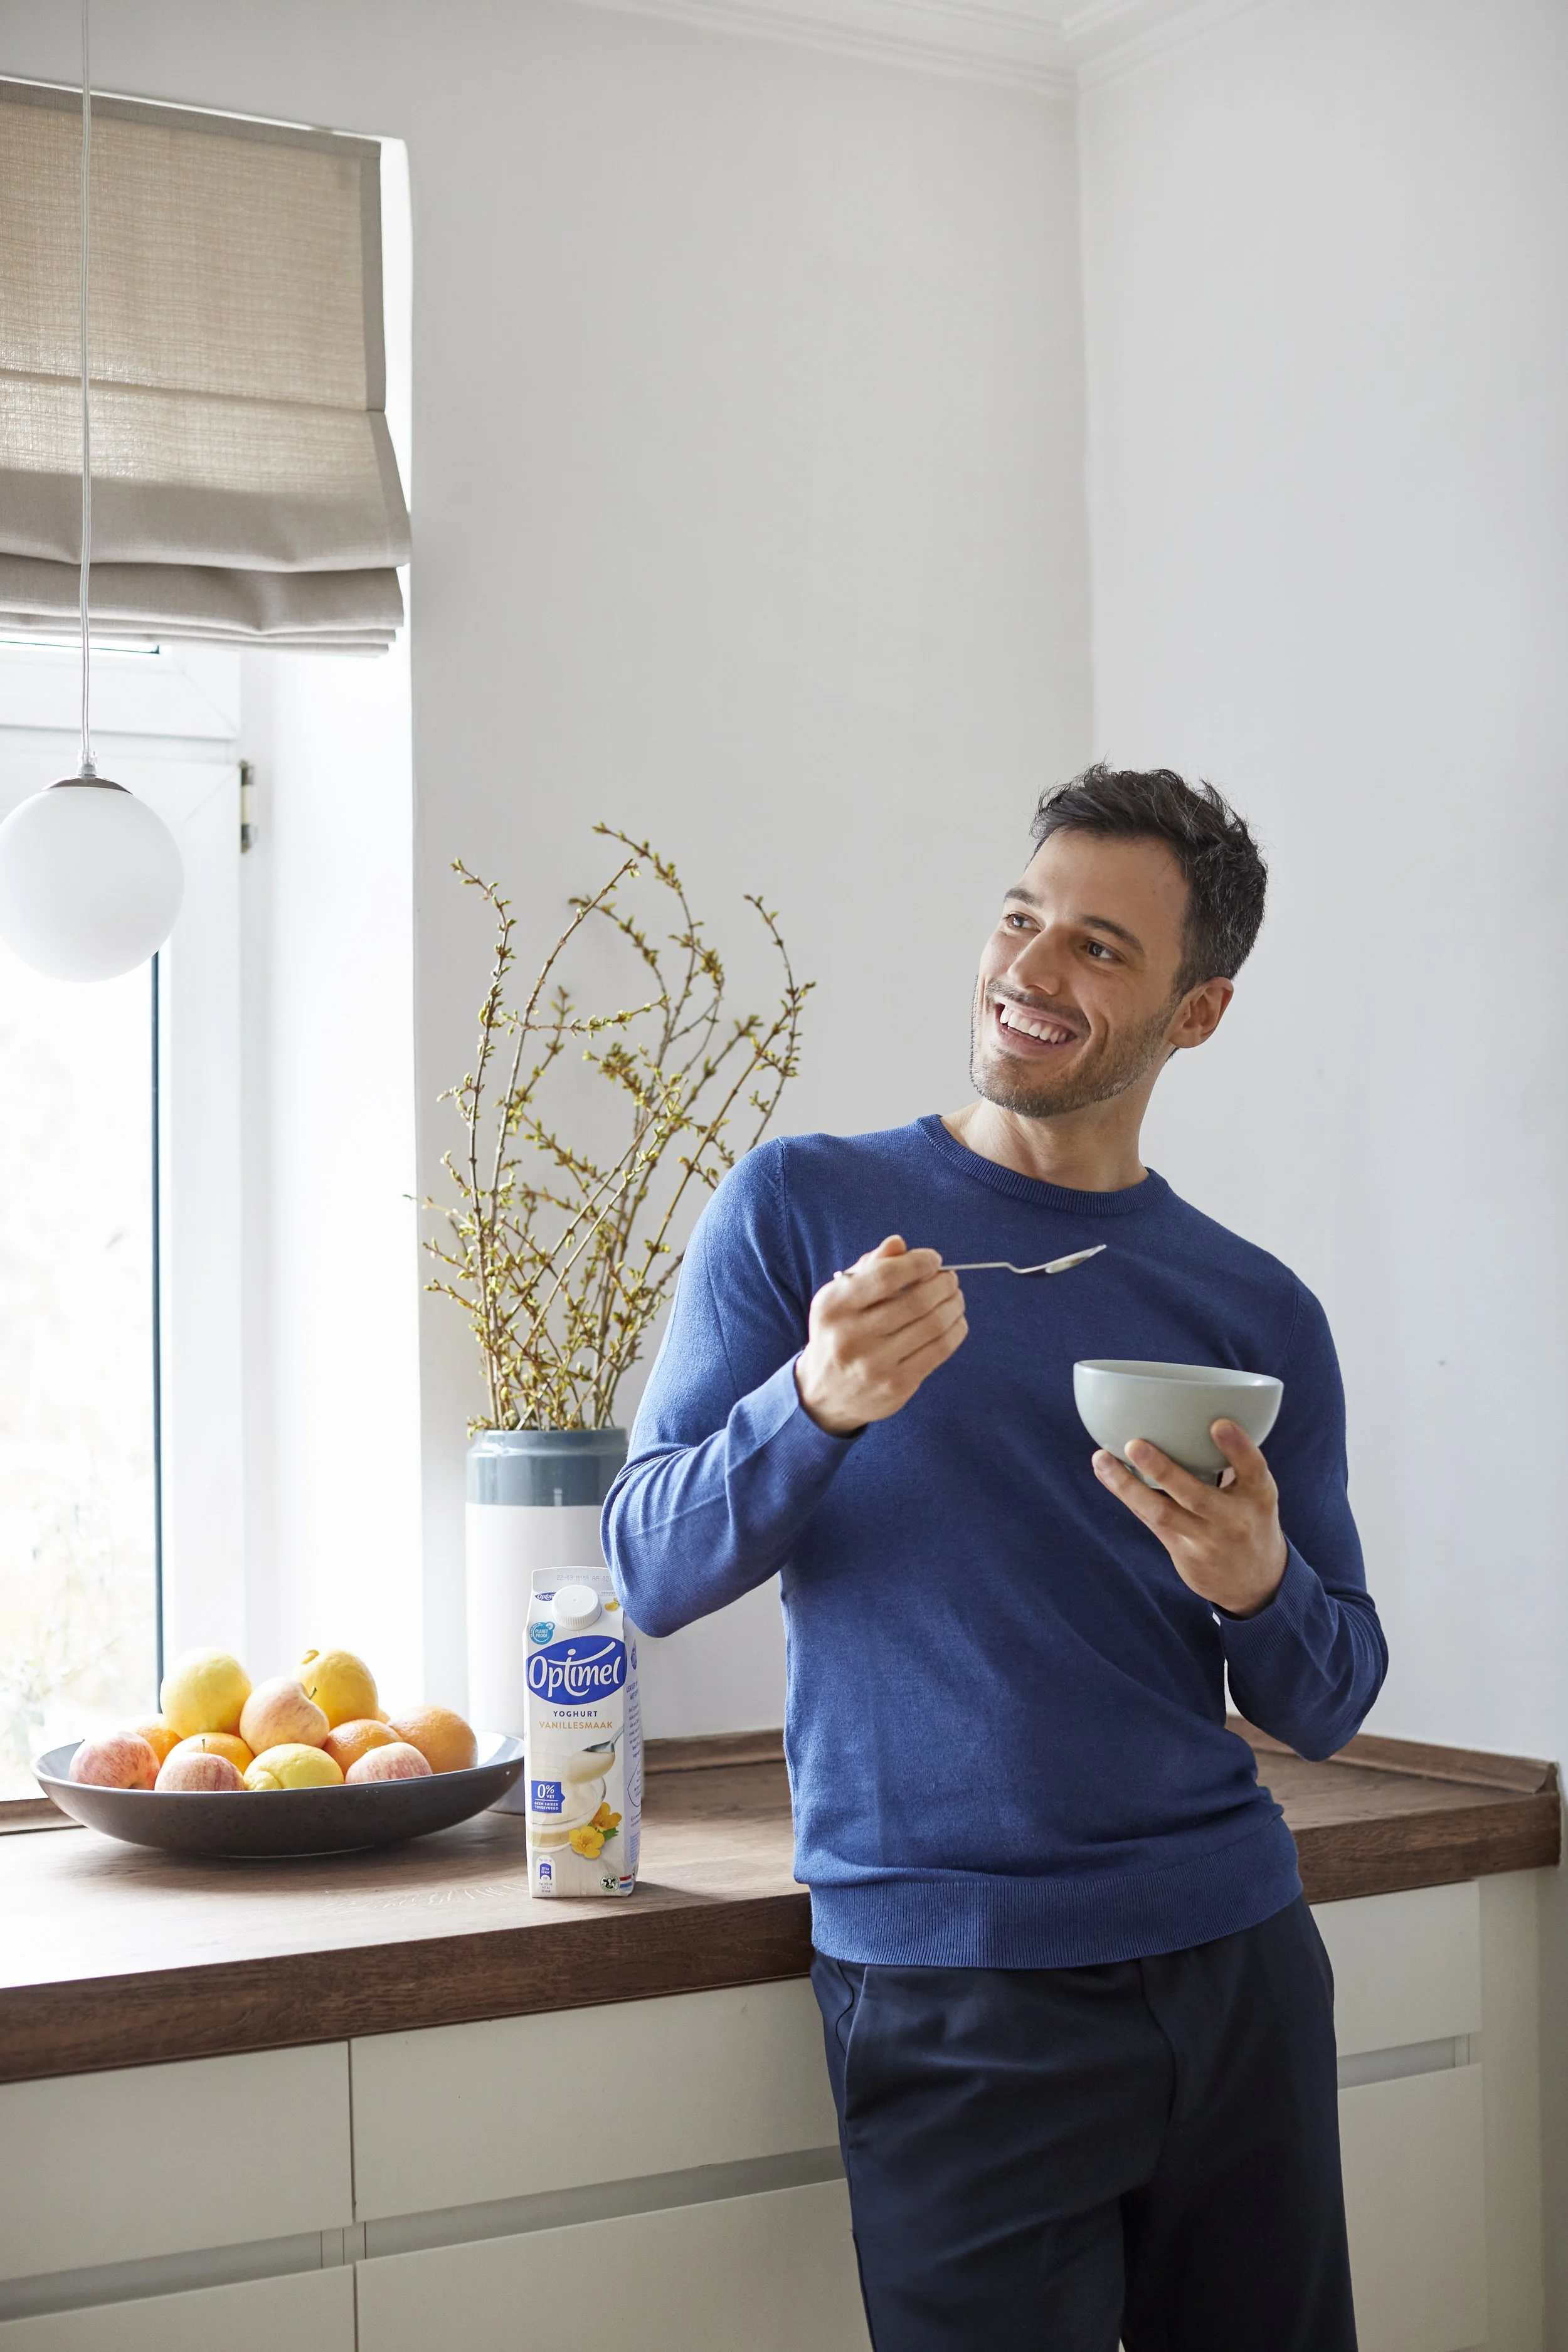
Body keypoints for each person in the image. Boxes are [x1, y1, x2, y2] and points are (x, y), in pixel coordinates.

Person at [603, 765, 1385, 2352]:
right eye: (1022, 918)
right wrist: (812, 1407)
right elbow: (647, 1567)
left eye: (1099, 947)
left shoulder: (1252, 1309)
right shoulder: (805, 1211)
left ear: (1197, 1010)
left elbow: (1330, 1695)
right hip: (950, 1992)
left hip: (1235, 1969)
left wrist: (1256, 1582)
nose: (1029, 970)